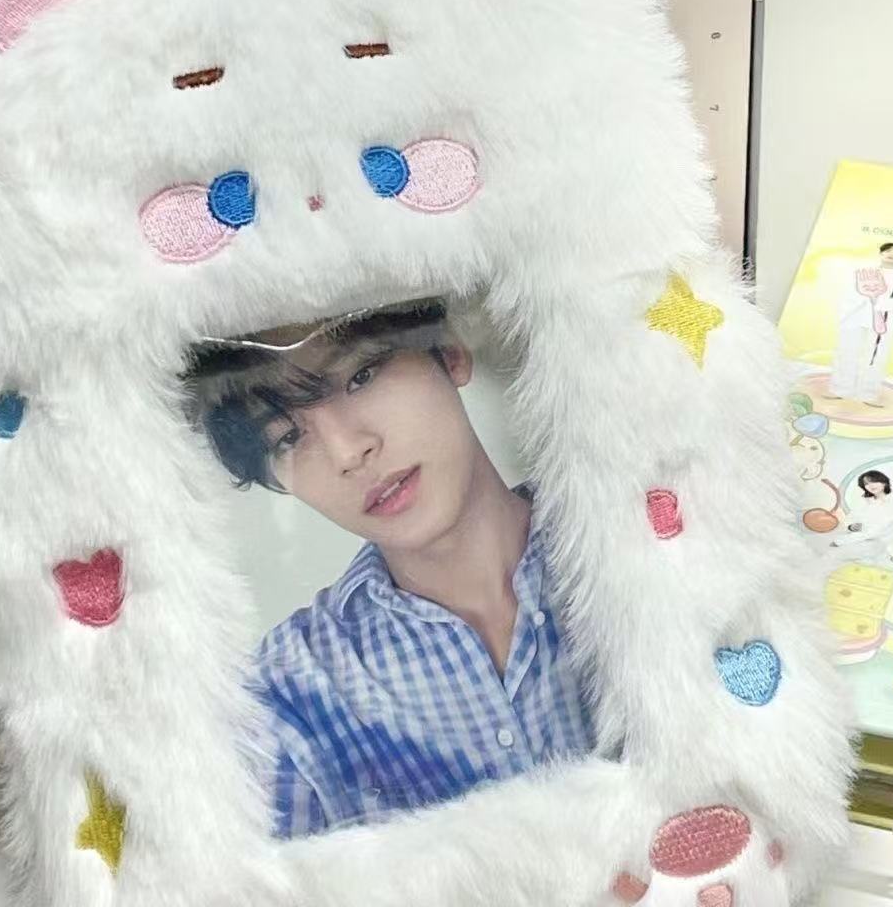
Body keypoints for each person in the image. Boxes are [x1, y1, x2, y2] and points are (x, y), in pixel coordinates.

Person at [182, 301, 593, 838]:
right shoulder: (288, 698)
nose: (348, 452)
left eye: (361, 376)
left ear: (449, 350)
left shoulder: (642, 544)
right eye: (288, 438)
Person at [827, 242, 893, 407]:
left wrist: (883, 305)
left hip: (883, 322)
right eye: (887, 250)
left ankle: (868, 394)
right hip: (856, 318)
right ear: (881, 253)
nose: (891, 253)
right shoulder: (863, 271)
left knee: (875, 357)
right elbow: (849, 293)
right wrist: (864, 300)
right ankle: (841, 390)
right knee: (847, 352)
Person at [831, 470, 893, 563]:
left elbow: (876, 531)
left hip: (881, 545)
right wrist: (851, 527)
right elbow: (850, 519)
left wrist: (840, 541)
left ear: (884, 482)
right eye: (866, 484)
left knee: (835, 554)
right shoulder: (865, 501)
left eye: (874, 481)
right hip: (859, 539)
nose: (870, 485)